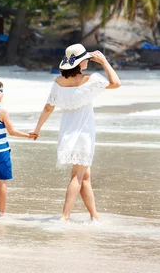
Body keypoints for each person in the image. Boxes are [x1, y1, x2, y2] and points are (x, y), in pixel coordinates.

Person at [31, 44, 121, 221]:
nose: (88, 61)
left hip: (67, 131)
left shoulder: (58, 82)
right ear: (80, 63)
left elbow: (48, 108)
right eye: (86, 59)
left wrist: (37, 129)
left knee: (85, 176)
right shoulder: (90, 80)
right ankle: (65, 216)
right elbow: (116, 83)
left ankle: (94, 216)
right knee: (77, 177)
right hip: (83, 133)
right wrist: (104, 61)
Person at [0, 79, 36, 217]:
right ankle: (1, 213)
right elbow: (12, 131)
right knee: (1, 182)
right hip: (1, 151)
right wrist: (28, 135)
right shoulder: (1, 110)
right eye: (1, 91)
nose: (3, 94)